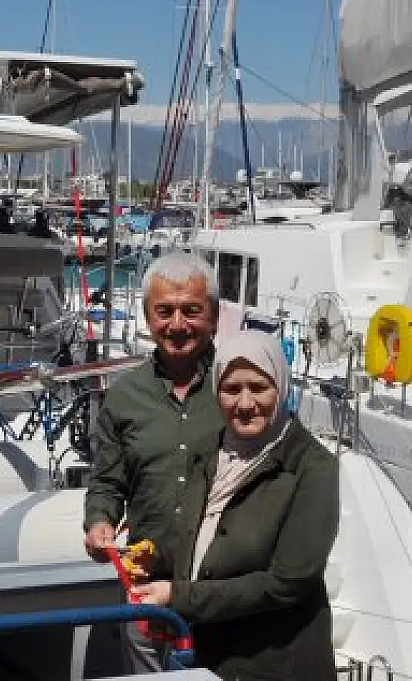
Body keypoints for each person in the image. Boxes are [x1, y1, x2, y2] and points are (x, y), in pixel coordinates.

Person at [132, 330, 338, 680]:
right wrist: (157, 557)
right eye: (231, 389)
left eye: (258, 388)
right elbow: (200, 539)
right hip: (207, 655)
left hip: (273, 668)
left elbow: (288, 583)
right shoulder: (207, 451)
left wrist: (179, 597)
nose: (244, 404)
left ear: (281, 388)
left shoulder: (312, 467)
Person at [83, 252, 226, 671]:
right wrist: (99, 521)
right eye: (165, 311)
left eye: (191, 311)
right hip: (146, 586)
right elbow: (108, 482)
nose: (177, 325)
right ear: (147, 317)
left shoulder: (236, 387)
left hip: (219, 589)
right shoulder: (124, 397)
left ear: (214, 316)